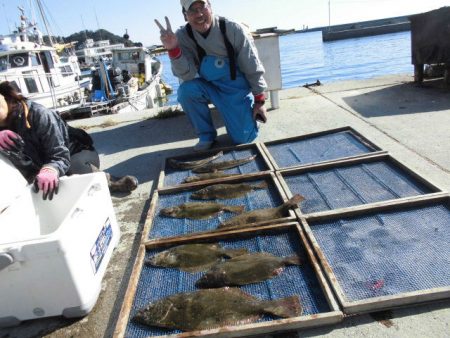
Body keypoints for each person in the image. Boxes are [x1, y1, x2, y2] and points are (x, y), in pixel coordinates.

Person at [155, 0, 268, 151]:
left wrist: (259, 101)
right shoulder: (181, 36)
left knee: (243, 139)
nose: (199, 14)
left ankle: (248, 119)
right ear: (185, 16)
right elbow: (185, 75)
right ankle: (206, 135)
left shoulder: (232, 28)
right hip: (209, 86)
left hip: (236, 90)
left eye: (202, 7)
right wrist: (173, 49)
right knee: (186, 91)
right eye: (193, 10)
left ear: (211, 7)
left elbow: (251, 64)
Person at [0, 81, 138, 200]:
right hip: (39, 164)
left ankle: (112, 181)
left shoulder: (39, 114)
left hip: (73, 153)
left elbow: (59, 154)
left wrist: (51, 169)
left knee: (72, 176)